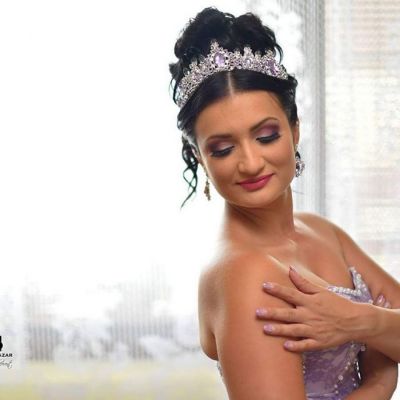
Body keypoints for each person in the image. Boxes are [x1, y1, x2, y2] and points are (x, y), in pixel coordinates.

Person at [168, 7, 399, 399]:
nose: (250, 163)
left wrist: (361, 321)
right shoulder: (245, 273)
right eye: (223, 149)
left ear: (294, 130)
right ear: (199, 158)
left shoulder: (321, 232)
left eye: (266, 136)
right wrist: (380, 380)